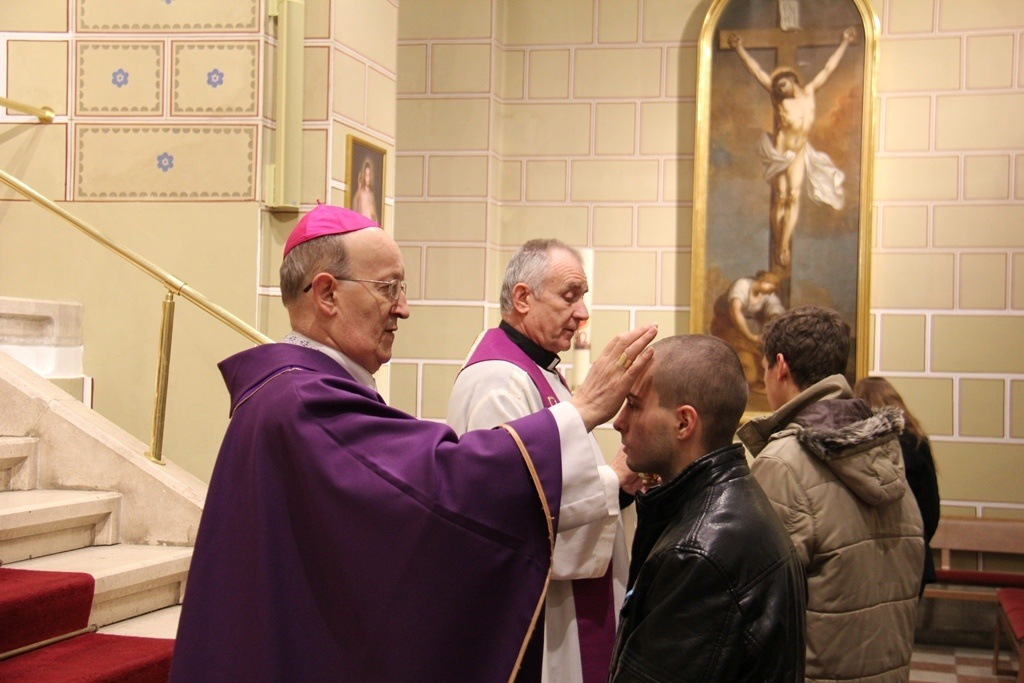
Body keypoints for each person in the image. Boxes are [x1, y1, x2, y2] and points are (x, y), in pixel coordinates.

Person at [169, 205, 657, 682]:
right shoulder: (304, 403)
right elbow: (443, 491)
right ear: (327, 294)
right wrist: (580, 412)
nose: (403, 307)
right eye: (389, 288)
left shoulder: (297, 393)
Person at [447, 239, 637, 683]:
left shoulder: (540, 370)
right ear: (522, 298)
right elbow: (510, 513)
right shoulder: (498, 381)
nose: (582, 312)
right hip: (541, 622)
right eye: (570, 296)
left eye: (583, 297)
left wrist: (620, 486)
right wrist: (614, 482)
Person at [737, 305, 925, 682]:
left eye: (765, 368)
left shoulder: (784, 462)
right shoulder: (885, 447)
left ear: (780, 366)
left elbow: (757, 601)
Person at [608, 335, 806, 682]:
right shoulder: (736, 496)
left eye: (634, 405)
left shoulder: (697, 553)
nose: (618, 421)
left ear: (684, 423)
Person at [729, 28, 855, 273]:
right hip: (780, 154)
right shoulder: (778, 99)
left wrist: (845, 43)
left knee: (793, 196)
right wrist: (739, 48)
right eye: (777, 86)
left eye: (783, 83)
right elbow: (756, 71)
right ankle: (778, 241)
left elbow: (828, 68)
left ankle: (784, 244)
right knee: (781, 197)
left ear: (793, 80)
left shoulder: (809, 92)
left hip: (799, 152)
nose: (779, 88)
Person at [855, 376, 941, 595]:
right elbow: (930, 509)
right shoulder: (917, 442)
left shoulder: (859, 447)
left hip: (871, 559)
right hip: (913, 556)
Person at [710, 270, 785, 394]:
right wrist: (750, 337)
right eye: (771, 286)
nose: (771, 290)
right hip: (729, 326)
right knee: (749, 370)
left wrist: (774, 317)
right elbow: (735, 312)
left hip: (750, 328)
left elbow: (775, 308)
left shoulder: (766, 293)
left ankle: (760, 379)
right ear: (762, 281)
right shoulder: (742, 285)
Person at [351, 158, 379, 223]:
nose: (368, 178)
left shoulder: (371, 194)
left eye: (369, 175)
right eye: (366, 175)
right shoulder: (360, 192)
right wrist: (359, 188)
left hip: (370, 223)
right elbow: (355, 207)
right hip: (362, 223)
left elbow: (374, 215)